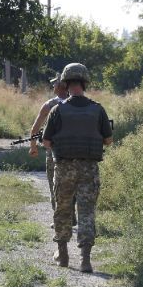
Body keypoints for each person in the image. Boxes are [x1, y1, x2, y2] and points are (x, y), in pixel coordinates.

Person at [42, 63, 113, 273]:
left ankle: (62, 255)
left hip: (63, 168)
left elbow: (46, 142)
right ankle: (85, 260)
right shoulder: (98, 110)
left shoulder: (57, 110)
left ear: (65, 82)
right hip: (89, 170)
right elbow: (108, 140)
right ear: (84, 83)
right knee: (87, 212)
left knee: (62, 209)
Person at [28, 74, 69, 217]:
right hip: (77, 151)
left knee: (54, 184)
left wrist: (33, 146)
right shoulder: (81, 103)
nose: (52, 87)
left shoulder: (50, 105)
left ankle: (60, 217)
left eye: (54, 84)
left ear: (59, 87)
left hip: (54, 151)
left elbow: (35, 128)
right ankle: (73, 216)